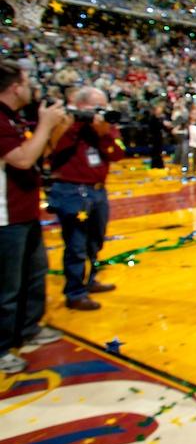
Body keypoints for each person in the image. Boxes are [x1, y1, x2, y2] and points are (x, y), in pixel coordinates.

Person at [0, 60, 67, 374]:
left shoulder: (12, 119)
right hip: (4, 216)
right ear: (15, 87)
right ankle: (1, 350)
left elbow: (41, 154)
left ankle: (28, 329)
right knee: (7, 287)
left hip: (24, 211)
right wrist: (44, 124)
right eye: (26, 82)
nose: (31, 88)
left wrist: (54, 129)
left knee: (34, 275)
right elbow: (24, 160)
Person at [48, 86, 125, 311]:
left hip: (98, 190)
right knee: (76, 244)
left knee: (95, 240)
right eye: (96, 108)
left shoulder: (105, 127)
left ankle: (90, 280)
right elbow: (53, 148)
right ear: (81, 106)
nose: (101, 112)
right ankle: (75, 292)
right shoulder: (64, 122)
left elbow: (118, 153)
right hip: (72, 191)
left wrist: (104, 133)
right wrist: (78, 124)